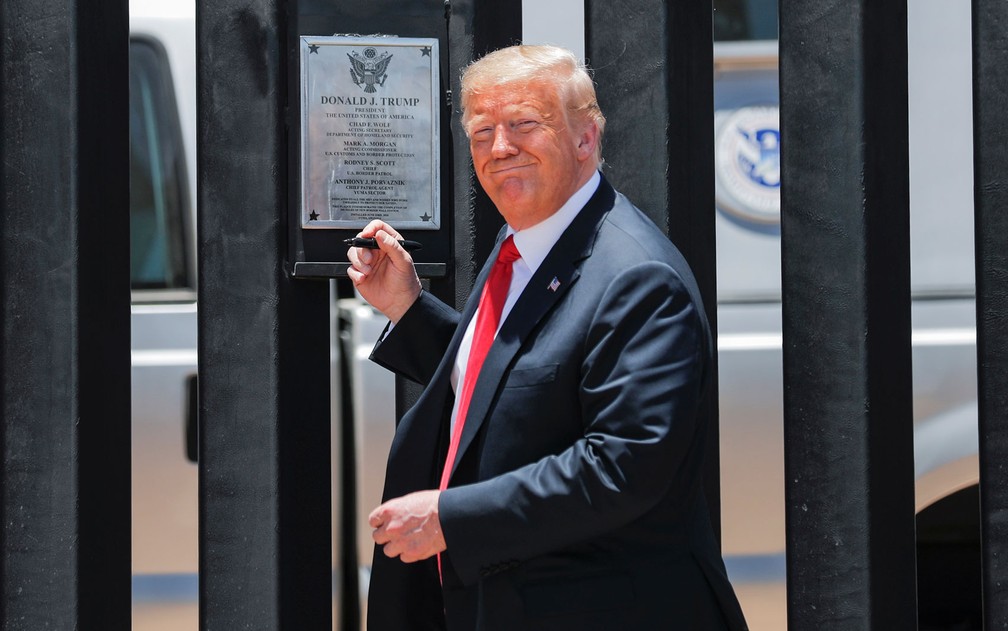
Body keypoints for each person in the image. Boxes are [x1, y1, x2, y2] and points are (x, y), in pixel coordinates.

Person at [347, 44, 748, 631]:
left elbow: (622, 466)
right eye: (482, 132)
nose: (500, 148)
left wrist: (453, 518)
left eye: (523, 125)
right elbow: (522, 383)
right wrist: (408, 308)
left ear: (586, 138)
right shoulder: (527, 240)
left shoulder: (637, 277)